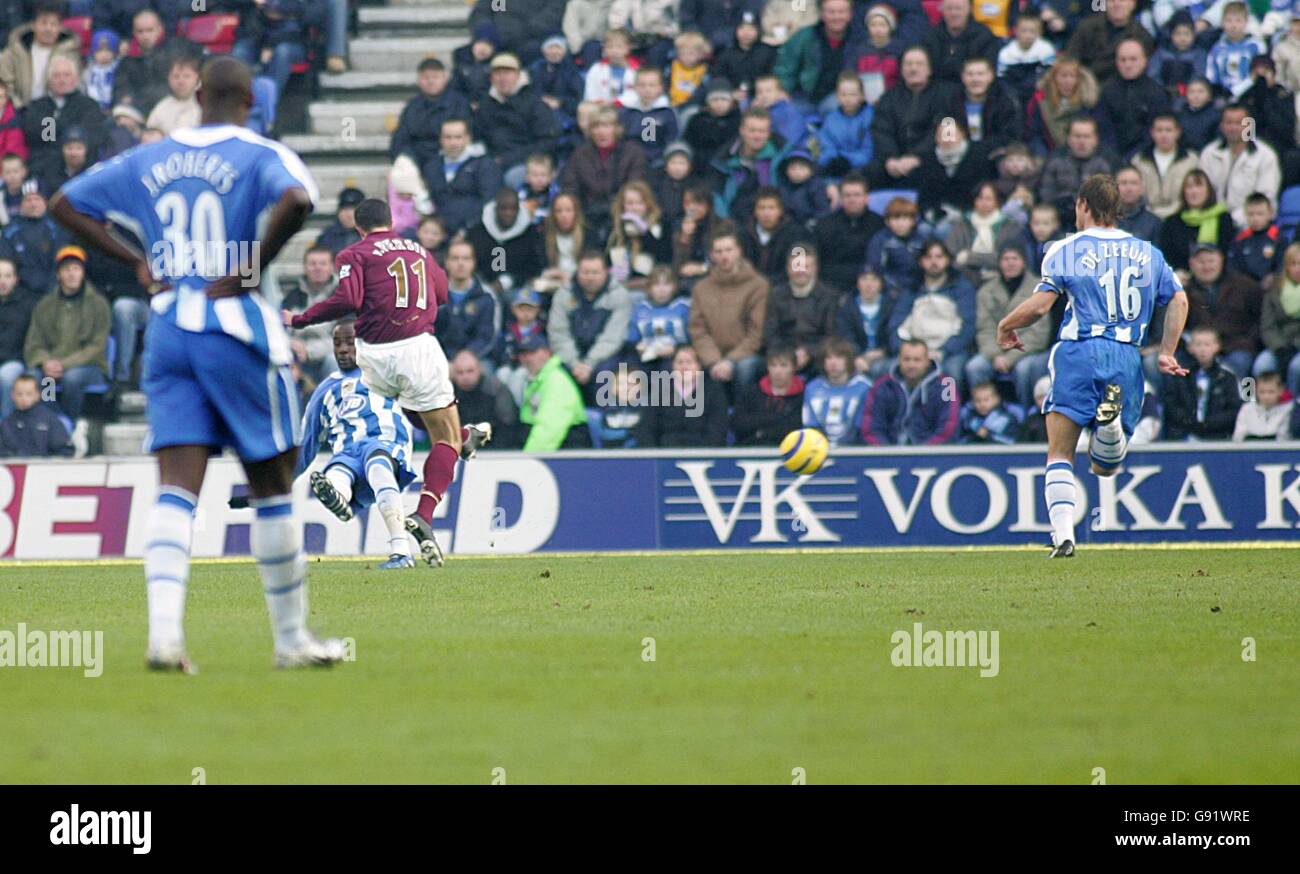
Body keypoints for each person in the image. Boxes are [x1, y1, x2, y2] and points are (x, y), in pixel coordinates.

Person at [51, 56, 344, 672]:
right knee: (271, 484)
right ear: (250, 101)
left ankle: (164, 639)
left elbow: (64, 203)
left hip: (167, 329)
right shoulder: (256, 149)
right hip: (232, 328)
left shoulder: (148, 156)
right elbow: (298, 200)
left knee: (176, 489)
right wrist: (246, 269)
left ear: (199, 94)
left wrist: (134, 258)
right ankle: (291, 640)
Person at [995, 173, 1189, 558]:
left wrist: (1005, 325)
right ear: (1116, 209)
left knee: (1059, 452)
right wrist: (1167, 350)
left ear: (1083, 206)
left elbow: (1040, 306)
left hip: (1079, 352)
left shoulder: (1065, 249)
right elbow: (1179, 300)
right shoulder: (1149, 253)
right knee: (1105, 466)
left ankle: (1064, 533)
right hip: (1126, 355)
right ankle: (1111, 426)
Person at [287, 198, 487, 570]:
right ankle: (425, 512)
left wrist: (300, 319)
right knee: (445, 439)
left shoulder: (353, 252)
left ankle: (348, 478)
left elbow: (349, 298)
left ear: (360, 227)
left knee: (405, 406)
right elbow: (441, 296)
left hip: (373, 356)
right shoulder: (421, 251)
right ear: (391, 221)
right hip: (416, 347)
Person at [295, 322, 420, 570]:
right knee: (335, 473)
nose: (343, 349)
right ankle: (340, 499)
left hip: (384, 442)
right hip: (347, 451)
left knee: (378, 466)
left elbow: (427, 407)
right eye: (337, 344)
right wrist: (274, 486)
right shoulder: (325, 390)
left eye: (349, 342)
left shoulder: (387, 372)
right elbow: (305, 446)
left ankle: (401, 551)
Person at [22, 245, 110, 420]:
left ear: (83, 273)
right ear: (58, 275)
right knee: (41, 379)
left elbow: (97, 346)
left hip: (88, 367)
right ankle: (51, 421)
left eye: (76, 269)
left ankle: (69, 425)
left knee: (72, 378)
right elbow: (34, 342)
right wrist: (45, 362)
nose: (72, 274)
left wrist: (64, 363)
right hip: (51, 367)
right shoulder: (45, 305)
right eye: (66, 269)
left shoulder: (99, 304)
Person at [966, 244, 1050, 407]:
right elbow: (985, 328)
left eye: (1015, 259)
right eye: (1005, 259)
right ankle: (984, 412)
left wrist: (1011, 358)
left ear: (1024, 262)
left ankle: (1026, 413)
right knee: (974, 367)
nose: (1010, 263)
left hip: (1029, 351)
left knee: (1024, 369)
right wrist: (995, 355)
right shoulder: (987, 290)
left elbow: (1039, 333)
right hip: (996, 350)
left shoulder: (1040, 288)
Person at [688, 225, 770, 387]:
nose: (724, 256)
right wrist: (714, 361)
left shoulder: (758, 285)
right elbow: (698, 330)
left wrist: (730, 361)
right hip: (712, 356)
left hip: (746, 355)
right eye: (719, 252)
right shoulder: (701, 288)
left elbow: (756, 333)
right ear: (711, 255)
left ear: (738, 251)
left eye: (728, 250)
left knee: (745, 367)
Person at [861, 338, 961, 445]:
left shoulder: (947, 386)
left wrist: (923, 454)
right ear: (899, 360)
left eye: (917, 360)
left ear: (927, 361)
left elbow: (949, 429)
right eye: (907, 359)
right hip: (889, 454)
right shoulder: (882, 385)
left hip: (931, 456)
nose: (911, 365)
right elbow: (871, 428)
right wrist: (887, 453)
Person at [1198, 104, 1282, 226]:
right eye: (1229, 122)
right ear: (1221, 126)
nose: (1233, 128)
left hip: (1249, 223)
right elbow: (1202, 191)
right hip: (1211, 220)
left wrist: (1232, 220)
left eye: (1238, 123)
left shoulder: (1265, 155)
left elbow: (1265, 197)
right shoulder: (1209, 153)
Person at [632, 344, 729, 446]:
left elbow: (718, 428)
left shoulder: (713, 391)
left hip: (702, 453)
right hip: (666, 452)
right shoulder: (660, 391)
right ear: (673, 366)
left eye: (689, 362)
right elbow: (646, 427)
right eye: (680, 362)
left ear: (699, 366)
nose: (684, 366)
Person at [420, 118, 501, 236]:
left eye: (458, 137)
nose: (453, 143)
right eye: (448, 137)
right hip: (438, 233)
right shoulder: (431, 167)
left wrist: (466, 230)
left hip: (475, 231)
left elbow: (488, 201)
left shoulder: (484, 165)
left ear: (468, 138)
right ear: (440, 139)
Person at [1161, 326, 1243, 441]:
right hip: (1185, 434)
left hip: (1217, 435)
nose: (1202, 349)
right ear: (1190, 347)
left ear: (1217, 347)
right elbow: (1172, 405)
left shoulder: (1227, 377)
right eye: (1198, 344)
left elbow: (1233, 409)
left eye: (1207, 345)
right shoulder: (1179, 375)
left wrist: (1208, 424)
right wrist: (1191, 422)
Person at [390, 58, 472, 168]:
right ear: (418, 80)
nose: (430, 81)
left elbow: (465, 136)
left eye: (435, 77)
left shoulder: (459, 103)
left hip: (451, 158)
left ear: (445, 78)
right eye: (425, 77)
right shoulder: (412, 106)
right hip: (418, 159)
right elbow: (401, 138)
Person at [0, 0, 81, 107]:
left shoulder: (71, 55)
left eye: (53, 24)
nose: (48, 29)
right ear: (33, 25)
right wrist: (20, 108)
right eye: (43, 23)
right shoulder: (13, 53)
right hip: (20, 112)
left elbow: (75, 87)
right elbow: (5, 84)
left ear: (60, 28)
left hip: (57, 114)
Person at [517, 333, 590, 450]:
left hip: (567, 454)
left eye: (533, 352)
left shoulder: (556, 382)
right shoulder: (537, 380)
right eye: (523, 354)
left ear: (547, 353)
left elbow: (549, 430)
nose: (527, 358)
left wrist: (527, 460)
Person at [814, 173, 883, 294]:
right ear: (841, 198)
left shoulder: (879, 224)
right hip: (831, 285)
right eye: (847, 195)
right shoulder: (824, 224)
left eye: (857, 195)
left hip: (868, 286)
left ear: (867, 198)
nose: (852, 199)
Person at [802, 337, 870, 446]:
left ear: (848, 360)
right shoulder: (812, 388)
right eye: (829, 358)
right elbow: (811, 426)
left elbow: (862, 428)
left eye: (839, 357)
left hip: (855, 450)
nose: (833, 363)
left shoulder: (864, 387)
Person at [1256, 241, 1300, 395]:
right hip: (1280, 345)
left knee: (1296, 367)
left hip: (1297, 346)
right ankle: (1252, 405)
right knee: (1261, 365)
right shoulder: (1275, 289)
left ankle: (1291, 406)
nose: (1297, 268)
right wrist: (1280, 347)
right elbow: (1268, 325)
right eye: (1293, 264)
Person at [0, 373, 69, 456]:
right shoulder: (8, 423)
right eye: (19, 394)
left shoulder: (49, 419)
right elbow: (4, 453)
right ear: (12, 395)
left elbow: (63, 449)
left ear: (37, 395)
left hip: (45, 467)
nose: (23, 398)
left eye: (29, 394)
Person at [0, 256, 33, 417]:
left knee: (6, 377)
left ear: (16, 279)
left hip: (16, 362)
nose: (2, 281)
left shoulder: (28, 305)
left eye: (7, 276)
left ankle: (6, 431)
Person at [1233, 370, 1292, 441]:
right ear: (1255, 391)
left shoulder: (1288, 410)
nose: (1266, 396)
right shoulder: (1247, 409)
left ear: (1280, 391)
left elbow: (1284, 437)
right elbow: (1239, 436)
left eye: (1271, 392)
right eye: (1262, 392)